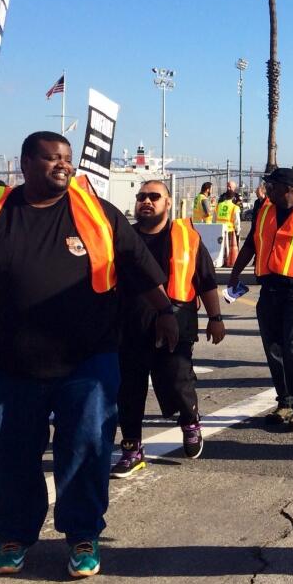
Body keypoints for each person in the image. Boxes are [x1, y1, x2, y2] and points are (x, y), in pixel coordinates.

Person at [0, 131, 177, 579]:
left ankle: (83, 534)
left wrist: (166, 311)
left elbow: (136, 263)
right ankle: (13, 533)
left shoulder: (95, 213)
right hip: (5, 365)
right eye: (51, 158)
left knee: (87, 447)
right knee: (12, 454)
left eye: (66, 157)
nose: (63, 164)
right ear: (24, 164)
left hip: (87, 361)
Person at [112, 181, 226, 478]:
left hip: (177, 322)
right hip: (130, 326)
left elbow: (206, 281)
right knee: (129, 390)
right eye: (141, 197)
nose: (146, 202)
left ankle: (190, 421)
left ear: (168, 202)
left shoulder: (186, 237)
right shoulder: (123, 239)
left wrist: (216, 317)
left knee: (177, 381)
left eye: (153, 197)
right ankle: (132, 448)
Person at [228, 168, 293, 429]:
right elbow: (251, 245)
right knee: (273, 346)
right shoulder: (264, 211)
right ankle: (284, 402)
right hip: (269, 290)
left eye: (272, 185)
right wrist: (234, 274)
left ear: (288, 189)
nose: (267, 190)